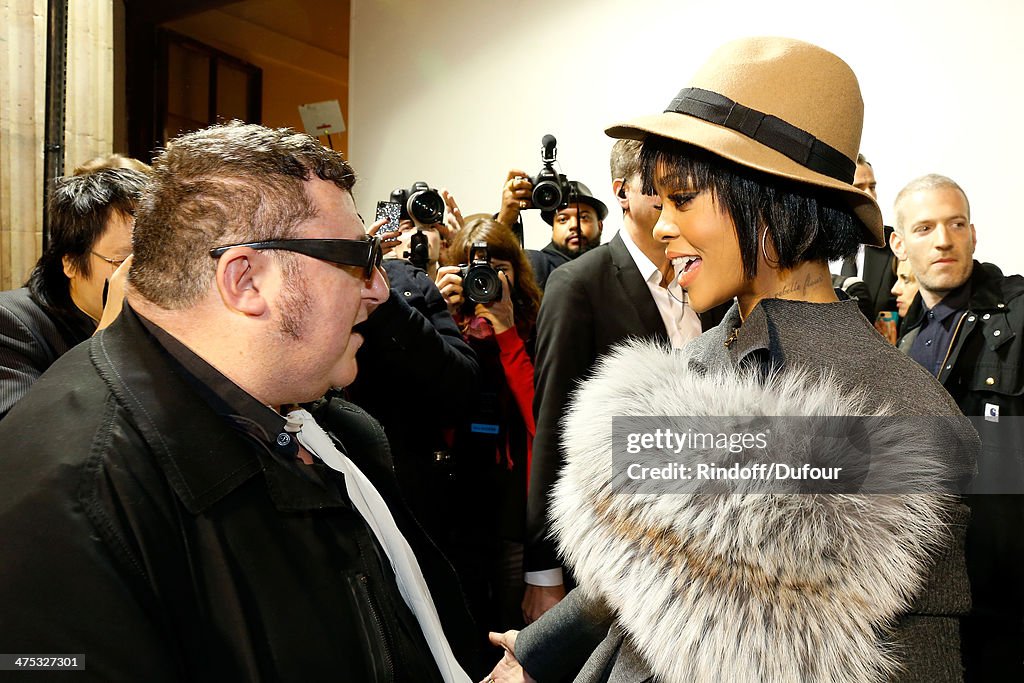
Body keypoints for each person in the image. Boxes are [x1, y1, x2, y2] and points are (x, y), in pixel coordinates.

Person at [486, 37, 977, 683]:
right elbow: (634, 565)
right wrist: (534, 653)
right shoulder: (692, 363)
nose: (661, 227)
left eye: (682, 199)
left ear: (769, 202)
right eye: (657, 202)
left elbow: (913, 657)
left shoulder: (897, 411)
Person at [0, 122, 478, 681]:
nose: (377, 289)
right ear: (245, 279)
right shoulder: (74, 495)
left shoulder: (318, 428)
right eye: (356, 257)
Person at [521, 139, 729, 624]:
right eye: (661, 189)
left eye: (686, 190)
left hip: (700, 545)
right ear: (622, 193)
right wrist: (543, 571)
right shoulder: (579, 285)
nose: (674, 202)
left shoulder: (708, 281)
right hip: (613, 545)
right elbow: (553, 428)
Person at [891, 173, 1024, 681]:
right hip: (930, 585)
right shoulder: (906, 336)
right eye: (924, 228)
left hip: (1003, 589)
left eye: (956, 223)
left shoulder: (1013, 314)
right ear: (899, 245)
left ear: (973, 234)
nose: (944, 239)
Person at [435, 216, 541, 633]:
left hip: (515, 503)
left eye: (500, 268)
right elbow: (431, 407)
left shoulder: (535, 327)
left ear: (517, 272)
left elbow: (541, 419)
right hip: (456, 497)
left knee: (514, 620)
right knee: (463, 618)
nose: (487, 279)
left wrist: (509, 335)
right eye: (475, 269)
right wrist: (439, 319)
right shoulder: (441, 328)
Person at [0, 167, 147, 419]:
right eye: (125, 261)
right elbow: (22, 437)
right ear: (70, 262)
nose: (146, 274)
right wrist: (109, 338)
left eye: (154, 258)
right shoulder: (11, 322)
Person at [497, 172, 607, 289]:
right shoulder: (533, 264)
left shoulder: (614, 265)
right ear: (553, 227)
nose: (574, 225)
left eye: (584, 217)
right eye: (563, 219)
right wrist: (504, 221)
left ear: (600, 226)